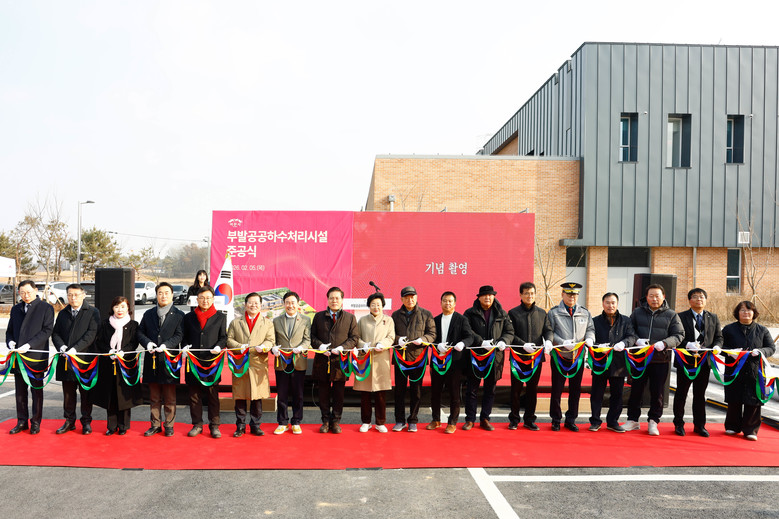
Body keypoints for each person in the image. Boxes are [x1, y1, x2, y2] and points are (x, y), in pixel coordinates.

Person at [625, 284, 684, 435]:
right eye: (651, 296)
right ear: (646, 297)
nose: (654, 299)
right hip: (640, 358)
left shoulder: (671, 315)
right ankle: (632, 420)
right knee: (636, 390)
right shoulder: (637, 312)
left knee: (657, 392)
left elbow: (679, 335)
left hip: (660, 359)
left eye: (657, 296)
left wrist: (665, 343)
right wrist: (637, 340)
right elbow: (630, 330)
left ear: (663, 297)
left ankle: (653, 421)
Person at [5, 280, 54, 435]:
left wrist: (29, 345)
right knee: (20, 392)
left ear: (35, 290)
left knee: (36, 391)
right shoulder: (16, 309)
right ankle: (21, 421)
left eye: (28, 292)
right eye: (22, 293)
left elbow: (47, 330)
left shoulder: (45, 308)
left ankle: (36, 422)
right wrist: (10, 341)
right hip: (18, 357)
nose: (26, 295)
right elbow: (9, 330)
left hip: (35, 356)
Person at [672, 288, 723, 437]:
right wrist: (687, 344)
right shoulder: (680, 316)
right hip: (685, 361)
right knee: (681, 393)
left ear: (705, 300)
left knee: (700, 395)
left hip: (704, 362)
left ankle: (700, 426)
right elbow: (676, 336)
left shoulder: (713, 317)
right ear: (689, 300)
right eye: (695, 297)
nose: (699, 299)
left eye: (701, 297)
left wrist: (717, 346)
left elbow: (719, 337)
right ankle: (678, 424)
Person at [462, 285, 514, 431]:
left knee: (490, 389)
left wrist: (504, 341)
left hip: (494, 357)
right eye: (484, 295)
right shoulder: (470, 313)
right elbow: (467, 331)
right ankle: (470, 419)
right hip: (475, 356)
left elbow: (509, 331)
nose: (487, 298)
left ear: (494, 297)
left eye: (490, 295)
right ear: (479, 297)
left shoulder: (502, 313)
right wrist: (480, 342)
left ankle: (485, 418)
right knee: (472, 389)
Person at [722, 301, 775, 441]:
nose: (746, 313)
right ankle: (732, 426)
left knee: (753, 401)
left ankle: (750, 430)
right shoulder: (728, 329)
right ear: (737, 313)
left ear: (754, 313)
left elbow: (771, 348)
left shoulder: (762, 330)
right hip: (734, 369)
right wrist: (730, 352)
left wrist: (761, 351)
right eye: (742, 310)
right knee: (734, 399)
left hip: (755, 370)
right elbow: (720, 346)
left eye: (749, 310)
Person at [52, 283, 100, 435]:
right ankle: (69, 421)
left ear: (83, 295)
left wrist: (75, 349)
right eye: (70, 295)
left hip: (84, 361)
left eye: (76, 295)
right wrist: (61, 347)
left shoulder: (92, 312)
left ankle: (86, 422)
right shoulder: (63, 313)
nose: (73, 298)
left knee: (85, 394)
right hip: (66, 360)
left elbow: (91, 334)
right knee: (68, 394)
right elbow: (55, 333)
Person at [138, 282, 185, 437]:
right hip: (152, 360)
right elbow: (140, 332)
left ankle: (169, 425)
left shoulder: (179, 315)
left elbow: (179, 335)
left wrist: (167, 345)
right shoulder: (148, 314)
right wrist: (147, 343)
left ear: (172, 295)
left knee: (170, 397)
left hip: (169, 360)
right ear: (156, 295)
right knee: (154, 396)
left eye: (166, 293)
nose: (163, 296)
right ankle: (155, 424)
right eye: (160, 293)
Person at [546, 282, 595, 432]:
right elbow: (549, 331)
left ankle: (571, 419)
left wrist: (590, 338)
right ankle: (556, 419)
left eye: (574, 294)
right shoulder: (554, 313)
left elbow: (590, 328)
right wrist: (562, 342)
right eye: (568, 294)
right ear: (562, 294)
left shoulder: (584, 312)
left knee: (575, 390)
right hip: (560, 356)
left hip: (578, 357)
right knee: (557, 389)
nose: (571, 297)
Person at [311, 286, 359, 434]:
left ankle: (336, 421)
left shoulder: (350, 318)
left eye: (337, 298)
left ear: (342, 300)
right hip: (322, 361)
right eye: (331, 298)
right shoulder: (318, 317)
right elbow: (312, 337)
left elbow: (354, 338)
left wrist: (343, 347)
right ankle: (325, 421)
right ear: (327, 300)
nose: (334, 301)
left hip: (341, 361)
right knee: (323, 393)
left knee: (339, 393)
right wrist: (320, 346)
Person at [227, 292, 275, 437]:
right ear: (245, 304)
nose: (253, 305)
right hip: (240, 363)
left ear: (260, 305)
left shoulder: (267, 323)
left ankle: (255, 425)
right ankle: (240, 426)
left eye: (256, 303)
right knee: (240, 396)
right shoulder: (236, 322)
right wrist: (239, 346)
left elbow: (271, 340)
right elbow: (229, 340)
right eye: (250, 302)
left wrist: (264, 347)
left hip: (258, 363)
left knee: (256, 396)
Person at [181, 286, 227, 438]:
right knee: (194, 396)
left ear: (213, 299)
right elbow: (184, 337)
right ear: (197, 299)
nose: (205, 301)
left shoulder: (220, 317)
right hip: (193, 362)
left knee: (213, 395)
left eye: (208, 298)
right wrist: (184, 347)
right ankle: (197, 424)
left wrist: (219, 346)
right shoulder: (189, 317)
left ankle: (214, 425)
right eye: (202, 298)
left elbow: (223, 337)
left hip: (212, 362)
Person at [92, 296, 142, 435]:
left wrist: (123, 352)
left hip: (126, 365)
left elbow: (134, 343)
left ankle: (123, 426)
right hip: (108, 364)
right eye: (117, 306)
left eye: (123, 306)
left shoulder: (133, 325)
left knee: (124, 396)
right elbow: (99, 342)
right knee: (111, 395)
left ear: (128, 309)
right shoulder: (105, 324)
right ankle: (111, 426)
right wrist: (109, 351)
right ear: (112, 308)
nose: (120, 310)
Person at [507, 282, 553, 431]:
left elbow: (548, 330)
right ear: (520, 295)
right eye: (526, 293)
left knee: (532, 389)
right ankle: (514, 419)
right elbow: (510, 333)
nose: (529, 296)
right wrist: (523, 344)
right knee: (516, 389)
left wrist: (549, 341)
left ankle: (529, 419)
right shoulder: (513, 313)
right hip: (518, 357)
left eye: (532, 293)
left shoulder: (542, 313)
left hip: (536, 358)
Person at [589, 292, 637, 433]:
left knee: (617, 394)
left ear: (617, 304)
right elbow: (590, 338)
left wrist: (624, 343)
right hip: (600, 362)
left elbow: (632, 336)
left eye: (613, 302)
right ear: (603, 304)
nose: (610, 305)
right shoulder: (595, 321)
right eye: (607, 302)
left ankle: (613, 421)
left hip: (618, 363)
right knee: (597, 393)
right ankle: (595, 421)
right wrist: (597, 346)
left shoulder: (626, 321)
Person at [428, 291, 474, 434]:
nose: (447, 303)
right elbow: (430, 338)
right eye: (445, 301)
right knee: (435, 392)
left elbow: (470, 337)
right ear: (440, 302)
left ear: (454, 303)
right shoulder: (435, 320)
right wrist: (436, 345)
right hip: (437, 361)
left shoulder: (462, 319)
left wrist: (462, 343)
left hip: (455, 362)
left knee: (454, 393)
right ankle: (435, 419)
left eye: (450, 301)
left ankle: (452, 422)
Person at [391, 286, 436, 432]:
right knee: (399, 391)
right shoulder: (395, 315)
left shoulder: (426, 314)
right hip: (400, 359)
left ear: (416, 297)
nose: (410, 300)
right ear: (401, 299)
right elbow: (390, 334)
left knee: (416, 391)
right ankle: (400, 420)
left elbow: (432, 334)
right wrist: (398, 339)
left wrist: (423, 339)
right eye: (407, 297)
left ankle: (413, 420)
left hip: (418, 359)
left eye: (412, 297)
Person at [355, 292, 396, 433]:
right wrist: (363, 345)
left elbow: (391, 337)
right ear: (369, 306)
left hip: (381, 359)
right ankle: (366, 422)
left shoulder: (388, 320)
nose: (376, 307)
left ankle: (380, 422)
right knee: (365, 394)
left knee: (380, 393)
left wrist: (382, 344)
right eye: (373, 304)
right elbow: (356, 337)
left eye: (378, 304)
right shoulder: (362, 320)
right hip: (365, 359)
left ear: (382, 305)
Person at [271, 291, 311, 435]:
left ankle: (296, 421)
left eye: (293, 302)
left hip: (298, 360)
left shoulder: (305, 320)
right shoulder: (276, 320)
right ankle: (282, 422)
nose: (290, 305)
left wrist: (302, 347)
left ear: (298, 303)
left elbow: (307, 339)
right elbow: (273, 339)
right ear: (284, 304)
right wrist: (273, 348)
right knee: (281, 394)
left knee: (298, 394)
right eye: (287, 302)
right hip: (281, 361)